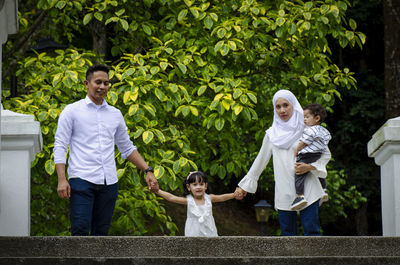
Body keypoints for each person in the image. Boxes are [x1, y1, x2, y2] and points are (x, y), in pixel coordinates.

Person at [54, 64, 159, 236]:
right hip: (81, 179)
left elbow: (127, 148)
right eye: (98, 82)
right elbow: (60, 145)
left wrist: (147, 170)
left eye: (106, 83)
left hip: (109, 182)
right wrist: (61, 179)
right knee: (80, 229)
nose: (102, 87)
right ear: (86, 84)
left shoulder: (115, 114)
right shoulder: (72, 111)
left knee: (101, 234)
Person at [234, 89, 331, 236]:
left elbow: (325, 155)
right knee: (287, 236)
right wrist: (244, 186)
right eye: (278, 107)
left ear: (294, 105)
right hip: (284, 191)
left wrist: (309, 167)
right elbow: (260, 161)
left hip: (308, 188)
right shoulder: (271, 134)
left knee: (312, 233)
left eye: (286, 105)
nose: (282, 110)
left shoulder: (308, 129)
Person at [155, 171, 235, 236]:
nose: (198, 187)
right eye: (195, 184)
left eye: (201, 184)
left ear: (205, 186)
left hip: (209, 230)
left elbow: (222, 197)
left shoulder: (209, 198)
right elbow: (171, 198)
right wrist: (157, 191)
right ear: (189, 187)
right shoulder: (189, 200)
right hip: (193, 231)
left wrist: (234, 195)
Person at [291, 103, 331, 210]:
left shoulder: (310, 130)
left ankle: (300, 196)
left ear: (317, 118)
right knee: (318, 172)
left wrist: (297, 149)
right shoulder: (323, 130)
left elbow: (305, 141)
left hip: (307, 154)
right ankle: (323, 188)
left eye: (307, 117)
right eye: (303, 117)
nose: (304, 120)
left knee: (299, 174)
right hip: (318, 154)